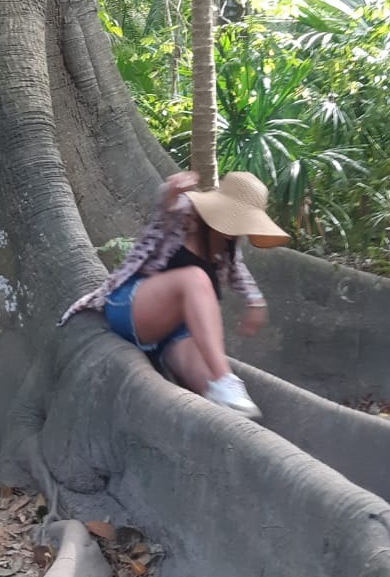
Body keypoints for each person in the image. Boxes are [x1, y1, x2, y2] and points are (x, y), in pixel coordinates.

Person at [60, 170, 289, 420]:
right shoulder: (186, 216)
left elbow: (238, 271)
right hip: (132, 305)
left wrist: (255, 301)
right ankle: (226, 378)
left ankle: (223, 418)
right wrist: (170, 192)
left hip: (172, 335)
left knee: (215, 391)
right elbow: (165, 211)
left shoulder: (227, 245)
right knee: (196, 278)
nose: (237, 228)